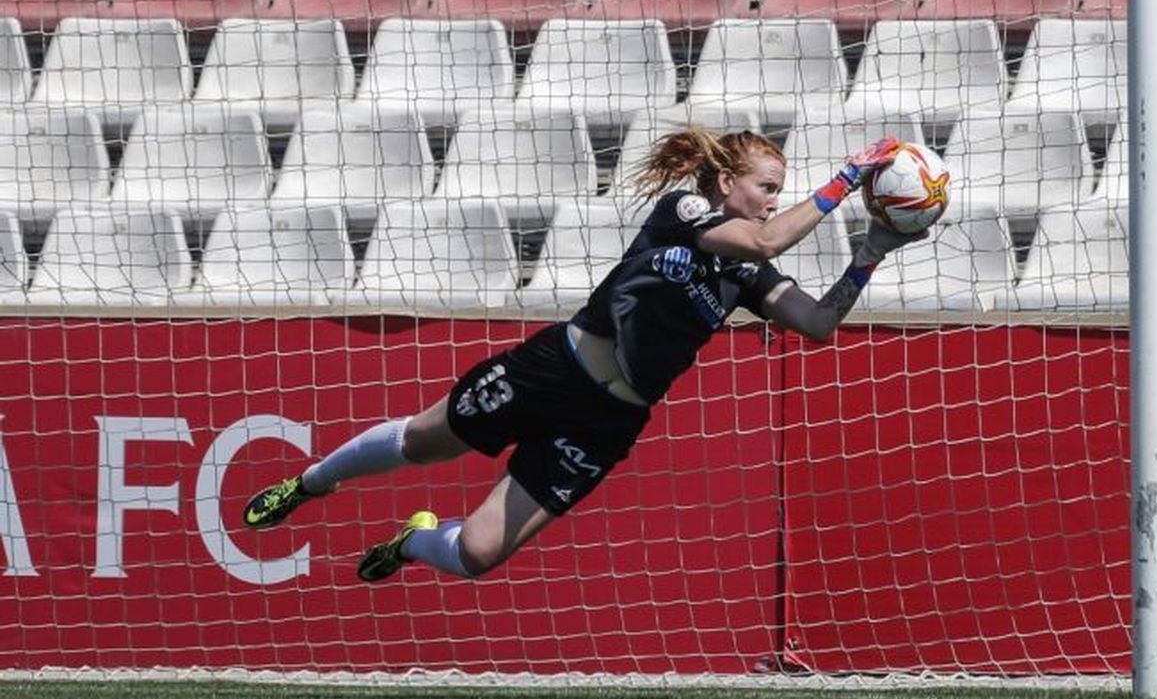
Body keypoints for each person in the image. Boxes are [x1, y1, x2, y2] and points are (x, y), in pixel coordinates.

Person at [241, 128, 918, 583]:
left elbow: (819, 323)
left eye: (778, 190)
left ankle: (413, 540)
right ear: (723, 181)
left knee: (478, 555)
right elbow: (766, 242)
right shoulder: (684, 211)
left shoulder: (747, 275)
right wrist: (849, 176)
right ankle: (311, 483)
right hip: (554, 369)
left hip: (607, 422)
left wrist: (868, 256)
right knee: (425, 441)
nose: (773, 200)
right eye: (766, 187)